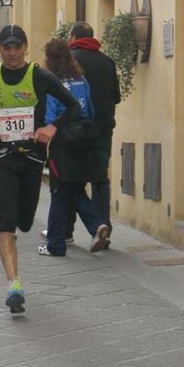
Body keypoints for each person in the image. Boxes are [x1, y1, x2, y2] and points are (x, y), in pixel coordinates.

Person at [0, 24, 80, 314]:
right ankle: (14, 284)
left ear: (25, 47)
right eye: (6, 47)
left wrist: (52, 127)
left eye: (17, 46)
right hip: (1, 156)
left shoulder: (39, 76)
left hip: (33, 158)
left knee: (25, 221)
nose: (12, 52)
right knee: (7, 220)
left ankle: (16, 261)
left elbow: (73, 106)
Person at [38, 39, 111, 256]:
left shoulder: (53, 83)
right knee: (74, 188)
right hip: (85, 138)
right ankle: (94, 226)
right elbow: (90, 108)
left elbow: (51, 115)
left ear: (49, 59)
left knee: (60, 190)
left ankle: (57, 244)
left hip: (64, 141)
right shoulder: (81, 80)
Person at [63, 21, 121, 246]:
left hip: (76, 131)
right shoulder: (107, 61)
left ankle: (66, 231)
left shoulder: (70, 59)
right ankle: (103, 226)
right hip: (103, 130)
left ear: (73, 36)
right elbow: (116, 96)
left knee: (70, 179)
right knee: (100, 178)